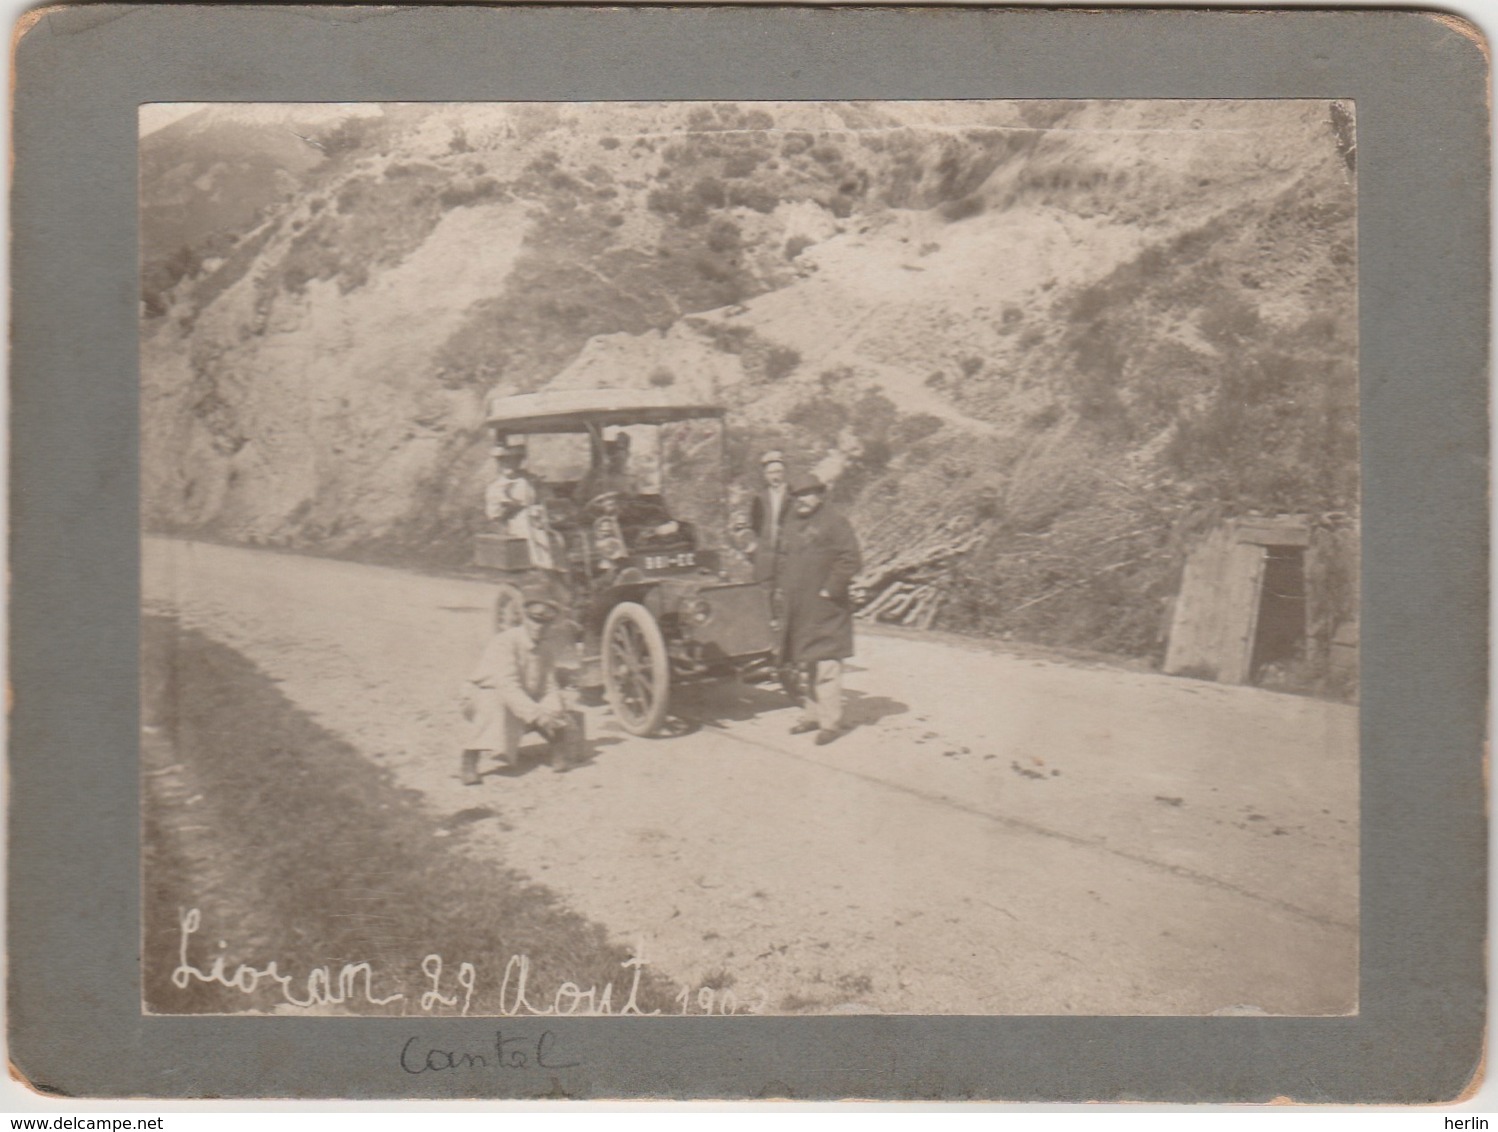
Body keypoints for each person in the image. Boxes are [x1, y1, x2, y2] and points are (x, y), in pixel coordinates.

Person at [459, 585, 581, 784]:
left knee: (556, 710)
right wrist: (537, 715)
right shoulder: (506, 642)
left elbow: (549, 687)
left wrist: (554, 712)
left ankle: (557, 745)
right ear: (524, 617)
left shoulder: (546, 648)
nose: (539, 627)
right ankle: (470, 756)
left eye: (546, 622)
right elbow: (507, 686)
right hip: (482, 695)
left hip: (520, 695)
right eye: (534, 620)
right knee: (497, 704)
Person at [776, 472, 863, 745]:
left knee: (827, 664)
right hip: (799, 607)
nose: (801, 500)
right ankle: (811, 716)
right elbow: (783, 557)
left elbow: (851, 559)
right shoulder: (791, 523)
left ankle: (830, 724)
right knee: (807, 663)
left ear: (819, 495)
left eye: (806, 494)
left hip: (826, 606)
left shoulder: (835, 522)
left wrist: (831, 589)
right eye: (797, 495)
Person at [485, 441, 558, 572]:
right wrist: (508, 508)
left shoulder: (530, 480)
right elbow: (495, 516)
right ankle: (544, 568)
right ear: (500, 463)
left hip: (540, 515)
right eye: (504, 460)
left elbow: (548, 497)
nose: (509, 464)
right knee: (536, 532)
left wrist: (543, 499)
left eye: (514, 460)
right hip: (515, 521)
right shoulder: (496, 487)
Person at [747, 450, 790, 582]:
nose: (775, 477)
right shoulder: (759, 498)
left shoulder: (793, 495)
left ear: (784, 473)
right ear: (765, 475)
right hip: (765, 555)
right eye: (771, 473)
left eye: (778, 472)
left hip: (788, 554)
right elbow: (754, 527)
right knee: (763, 591)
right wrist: (753, 544)